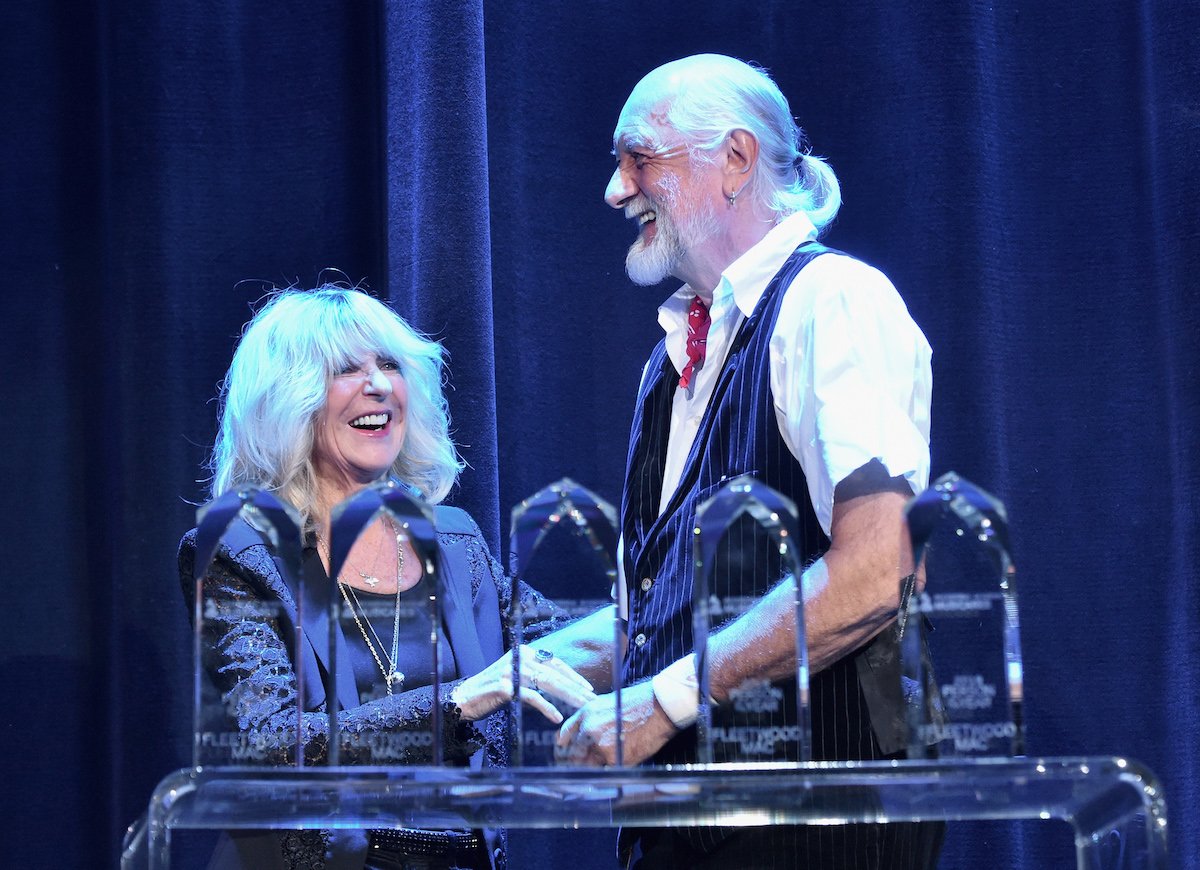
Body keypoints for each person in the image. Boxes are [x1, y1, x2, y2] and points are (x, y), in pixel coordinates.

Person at [551, 54, 943, 867]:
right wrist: (519, 671)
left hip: (812, 826)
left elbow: (880, 572)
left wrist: (661, 702)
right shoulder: (667, 367)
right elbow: (657, 621)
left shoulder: (831, 301)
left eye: (638, 157)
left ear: (734, 161)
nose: (615, 190)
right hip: (683, 835)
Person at [178, 285, 595, 870]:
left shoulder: (451, 542)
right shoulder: (239, 554)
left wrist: (673, 610)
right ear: (287, 400)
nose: (378, 384)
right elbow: (274, 741)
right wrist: (459, 701)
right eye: (347, 369)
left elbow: (563, 645)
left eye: (391, 365)